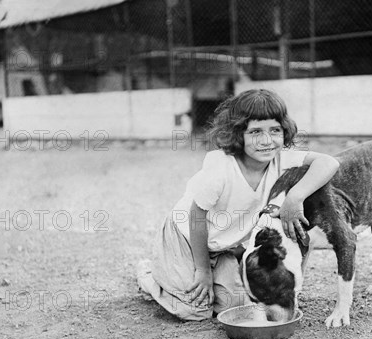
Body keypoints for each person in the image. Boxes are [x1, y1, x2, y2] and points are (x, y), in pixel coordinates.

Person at [137, 89, 340, 321]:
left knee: (237, 308)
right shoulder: (221, 168)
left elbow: (328, 162)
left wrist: (295, 198)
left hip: (220, 247)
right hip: (184, 237)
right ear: (238, 134)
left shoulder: (282, 160)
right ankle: (150, 275)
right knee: (194, 310)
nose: (266, 141)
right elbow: (196, 217)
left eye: (275, 130)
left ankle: (209, 270)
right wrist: (202, 270)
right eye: (255, 132)